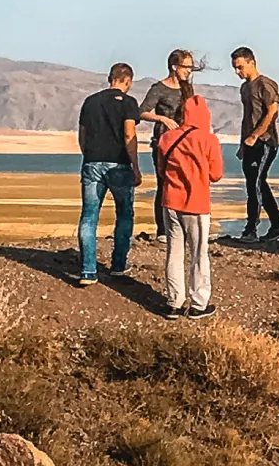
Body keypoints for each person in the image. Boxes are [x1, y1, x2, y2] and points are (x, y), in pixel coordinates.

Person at [155, 79, 223, 318]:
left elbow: (162, 171)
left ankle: (174, 302)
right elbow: (216, 174)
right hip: (197, 204)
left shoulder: (166, 139)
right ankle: (198, 304)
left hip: (170, 202)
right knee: (198, 254)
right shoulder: (208, 140)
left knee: (174, 252)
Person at [75, 62, 141, 286]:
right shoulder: (129, 103)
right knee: (124, 214)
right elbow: (129, 135)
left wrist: (89, 155)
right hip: (119, 166)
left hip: (92, 164)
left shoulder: (90, 102)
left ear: (110, 78)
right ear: (128, 81)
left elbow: (82, 135)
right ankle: (118, 265)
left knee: (89, 216)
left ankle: (88, 271)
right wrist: (135, 166)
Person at [234, 47, 279, 243]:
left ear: (251, 62)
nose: (237, 72)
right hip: (249, 142)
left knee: (256, 183)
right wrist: (244, 143)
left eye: (240, 67)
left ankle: (251, 229)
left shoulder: (265, 85)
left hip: (265, 142)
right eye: (235, 68)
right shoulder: (244, 88)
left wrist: (256, 135)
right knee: (256, 184)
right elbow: (246, 118)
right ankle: (277, 225)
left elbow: (272, 112)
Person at [138, 49, 195, 239]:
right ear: (174, 67)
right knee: (164, 184)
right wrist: (161, 118)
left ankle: (182, 227)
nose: (189, 71)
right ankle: (162, 229)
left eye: (191, 67)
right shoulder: (159, 89)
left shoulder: (187, 89)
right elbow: (142, 112)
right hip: (164, 143)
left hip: (185, 143)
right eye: (186, 67)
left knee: (184, 183)